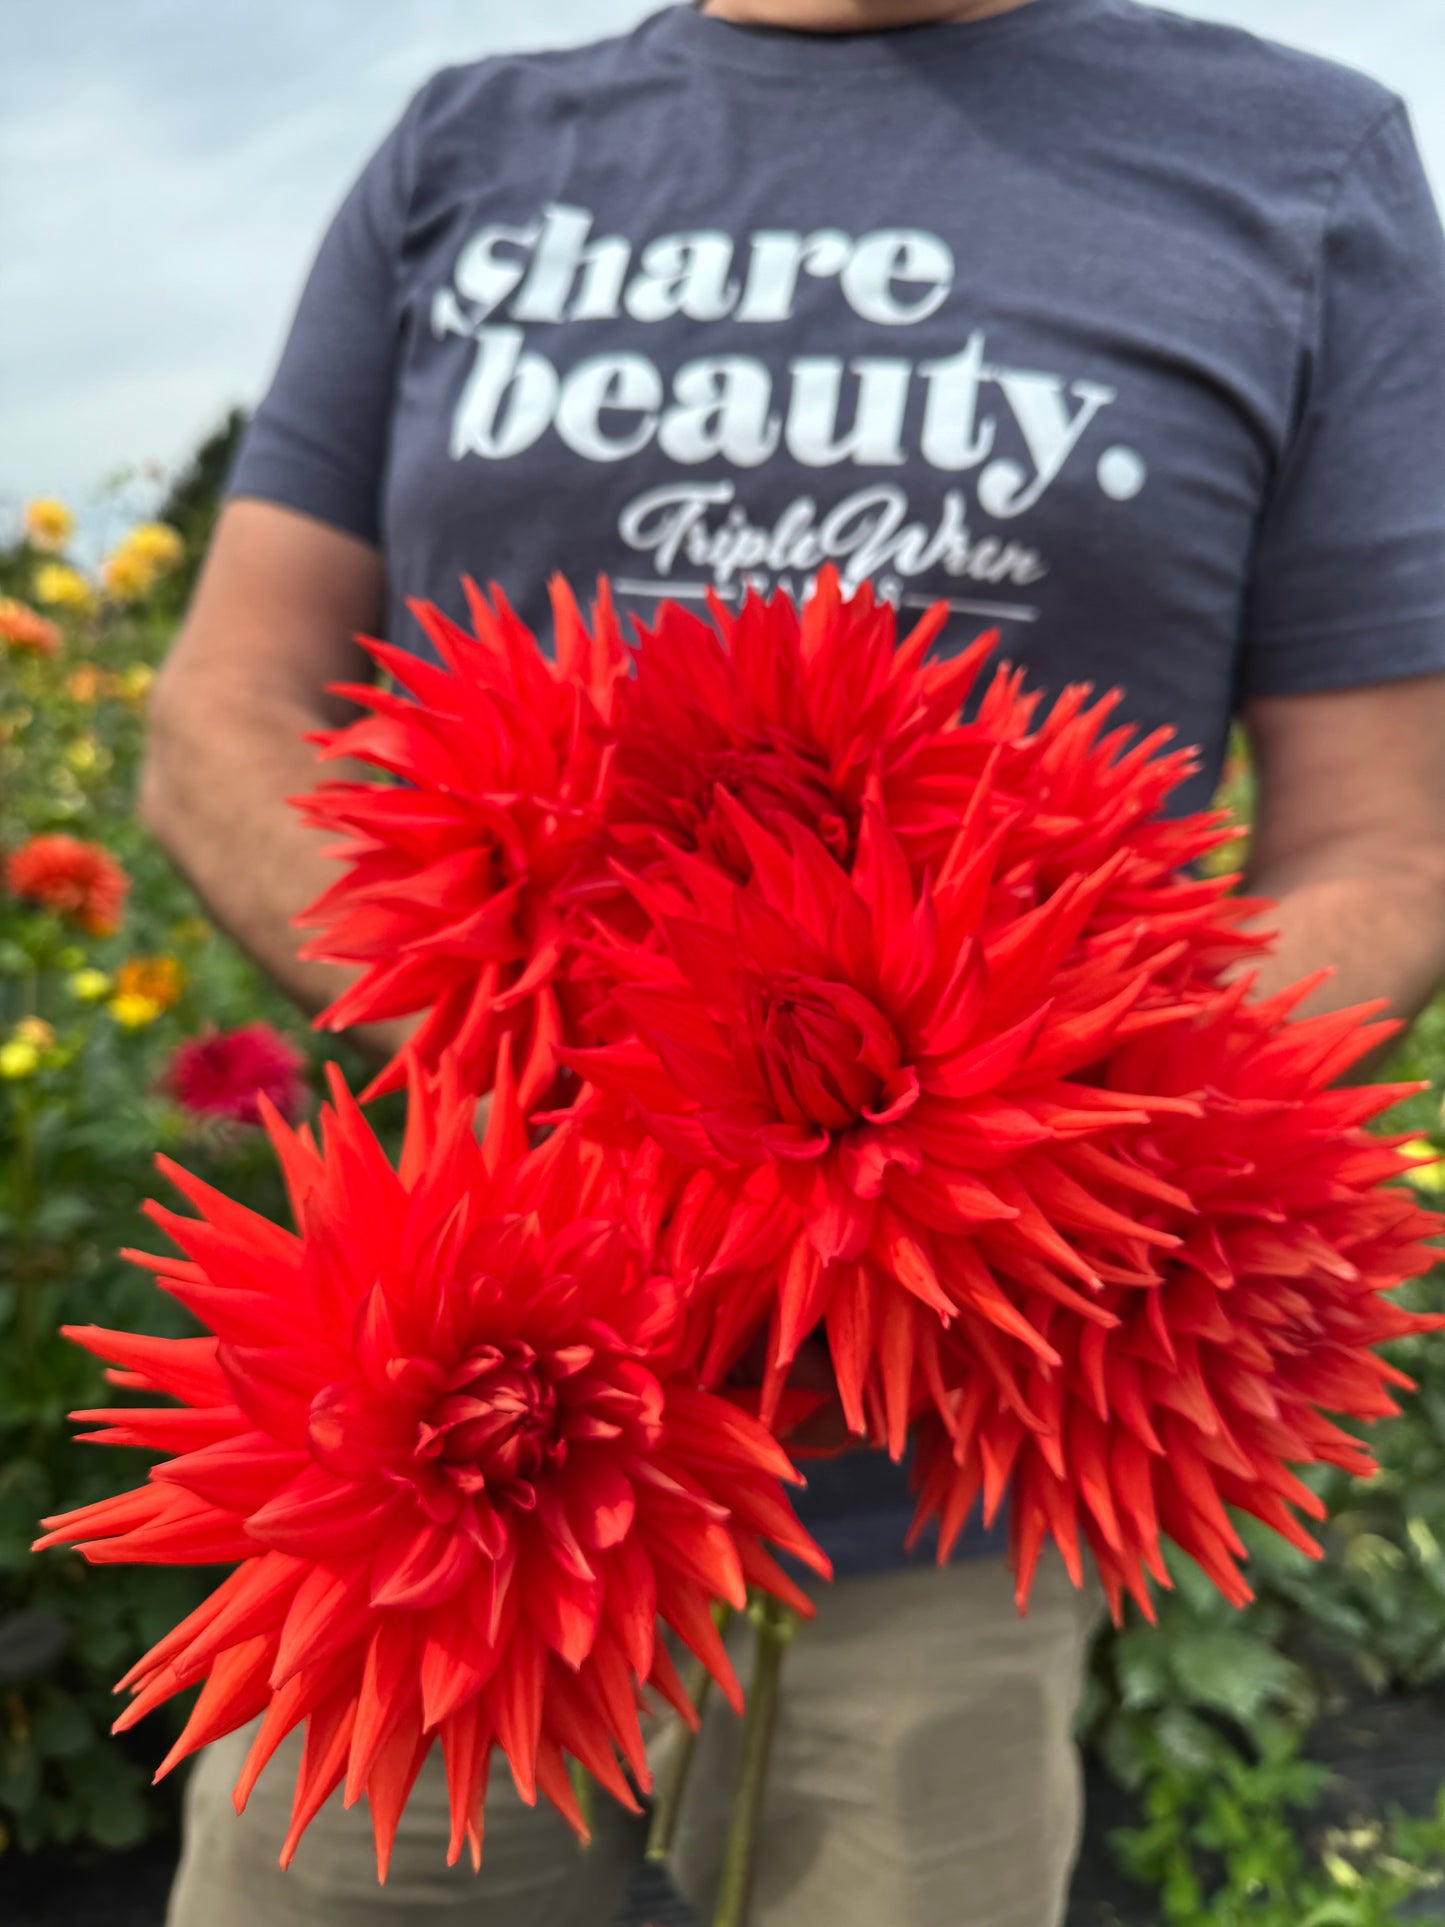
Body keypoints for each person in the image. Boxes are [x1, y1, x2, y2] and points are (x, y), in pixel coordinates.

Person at [141, 0, 1445, 1921]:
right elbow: (217, 717)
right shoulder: (460, 150)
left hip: (933, 1517)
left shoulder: (1300, 164)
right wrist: (570, 1062)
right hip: (422, 1461)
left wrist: (1042, 1153)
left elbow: (1386, 835)